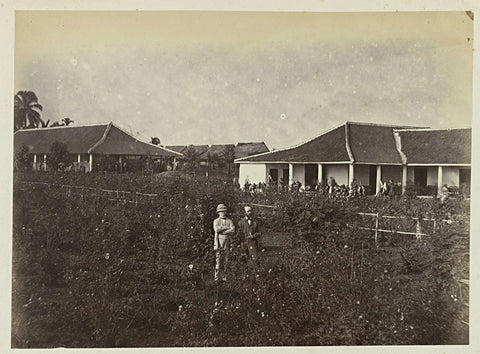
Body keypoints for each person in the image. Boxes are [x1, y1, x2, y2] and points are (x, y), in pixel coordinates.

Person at [237, 205, 261, 278]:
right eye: (248, 211)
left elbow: (260, 233)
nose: (250, 212)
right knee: (244, 259)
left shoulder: (255, 222)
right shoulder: (240, 223)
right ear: (244, 212)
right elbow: (238, 233)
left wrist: (254, 235)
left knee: (255, 259)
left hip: (253, 243)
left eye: (250, 211)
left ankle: (257, 276)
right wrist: (239, 243)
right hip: (244, 243)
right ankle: (244, 276)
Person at [213, 204, 235, 281]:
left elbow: (232, 230)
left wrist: (223, 231)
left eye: (224, 211)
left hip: (227, 241)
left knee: (226, 259)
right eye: (221, 212)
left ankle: (224, 277)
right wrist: (226, 228)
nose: (223, 213)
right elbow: (217, 229)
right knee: (218, 259)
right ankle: (216, 277)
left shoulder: (229, 221)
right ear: (218, 213)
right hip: (219, 241)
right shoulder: (216, 221)